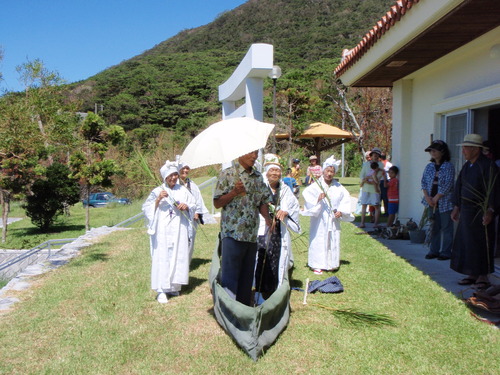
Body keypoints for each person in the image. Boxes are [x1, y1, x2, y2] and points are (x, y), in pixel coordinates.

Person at [213, 150, 273, 306]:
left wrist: (267, 218)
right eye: (251, 153)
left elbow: (262, 201)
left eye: (256, 153)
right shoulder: (227, 174)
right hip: (232, 233)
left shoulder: (258, 177)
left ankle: (244, 309)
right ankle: (229, 310)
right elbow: (217, 203)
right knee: (230, 276)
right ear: (241, 153)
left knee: (247, 276)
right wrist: (234, 192)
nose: (254, 157)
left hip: (251, 234)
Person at [142, 160, 196, 304]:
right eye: (170, 176)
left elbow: (193, 203)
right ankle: (161, 289)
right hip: (163, 230)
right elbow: (146, 209)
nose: (173, 178)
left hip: (178, 228)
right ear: (165, 177)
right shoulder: (157, 190)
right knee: (163, 256)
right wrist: (158, 199)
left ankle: (173, 286)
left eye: (175, 175)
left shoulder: (183, 190)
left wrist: (186, 206)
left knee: (178, 254)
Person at [451, 134, 499, 290]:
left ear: (476, 149)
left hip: (480, 211)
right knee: (466, 242)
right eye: (463, 147)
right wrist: (457, 206)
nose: (463, 151)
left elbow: (495, 190)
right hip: (466, 211)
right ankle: (471, 273)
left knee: (481, 243)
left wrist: (490, 210)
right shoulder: (467, 166)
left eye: (466, 147)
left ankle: (483, 276)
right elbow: (460, 186)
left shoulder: (489, 166)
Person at [255, 154, 300, 302]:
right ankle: (258, 290)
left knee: (276, 257)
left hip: (278, 232)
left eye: (277, 171)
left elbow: (293, 206)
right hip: (262, 229)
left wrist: (285, 211)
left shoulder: (285, 189)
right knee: (261, 258)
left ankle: (273, 288)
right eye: (272, 170)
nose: (275, 173)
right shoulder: (259, 187)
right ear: (266, 172)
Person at [301, 156, 354, 274]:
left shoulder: (338, 187)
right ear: (323, 171)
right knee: (319, 238)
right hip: (320, 218)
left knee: (332, 238)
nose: (329, 174)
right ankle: (317, 264)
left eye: (332, 172)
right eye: (327, 171)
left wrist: (341, 211)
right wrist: (317, 199)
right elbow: (307, 195)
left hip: (333, 219)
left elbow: (345, 199)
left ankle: (331, 262)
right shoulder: (316, 186)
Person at [421, 140, 455, 261]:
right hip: (430, 202)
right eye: (431, 150)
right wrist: (427, 197)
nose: (432, 152)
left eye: (435, 150)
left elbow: (448, 184)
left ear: (442, 151)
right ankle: (433, 250)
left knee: (446, 227)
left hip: (445, 202)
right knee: (433, 226)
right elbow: (423, 182)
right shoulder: (429, 166)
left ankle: (445, 251)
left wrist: (437, 197)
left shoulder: (448, 166)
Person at [178, 162, 210, 263]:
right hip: (178, 217)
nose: (185, 171)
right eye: (183, 168)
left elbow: (198, 200)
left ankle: (186, 263)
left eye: (187, 168)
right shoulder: (175, 184)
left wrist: (197, 212)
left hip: (191, 216)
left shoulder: (192, 185)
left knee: (190, 240)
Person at [359, 147, 386, 228]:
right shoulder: (366, 164)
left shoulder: (381, 165)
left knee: (377, 206)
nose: (375, 157)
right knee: (364, 205)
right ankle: (362, 222)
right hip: (366, 188)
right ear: (371, 156)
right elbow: (362, 175)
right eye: (374, 155)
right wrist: (365, 180)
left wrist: (372, 180)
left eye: (377, 155)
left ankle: (376, 223)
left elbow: (379, 176)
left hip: (375, 189)